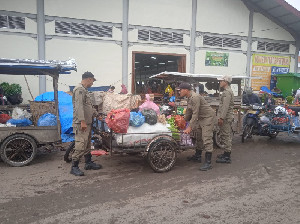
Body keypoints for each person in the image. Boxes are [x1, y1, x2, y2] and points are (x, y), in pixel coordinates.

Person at [71, 71, 102, 176]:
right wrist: (82, 121)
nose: (92, 83)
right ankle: (74, 167)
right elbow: (79, 107)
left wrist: (97, 115)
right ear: (89, 79)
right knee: (81, 144)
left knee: (87, 144)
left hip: (87, 123)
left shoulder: (84, 90)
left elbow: (89, 106)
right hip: (81, 123)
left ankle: (88, 163)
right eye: (92, 81)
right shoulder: (79, 90)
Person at [179, 82, 216, 171]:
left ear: (186, 90)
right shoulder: (189, 97)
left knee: (206, 138)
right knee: (198, 136)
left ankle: (208, 163)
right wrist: (182, 120)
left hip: (208, 117)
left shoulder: (195, 97)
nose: (179, 92)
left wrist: (189, 127)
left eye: (180, 90)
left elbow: (195, 113)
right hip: (201, 118)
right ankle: (198, 156)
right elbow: (189, 111)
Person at [216, 75, 234, 164]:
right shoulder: (226, 91)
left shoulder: (227, 92)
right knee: (224, 134)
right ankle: (225, 153)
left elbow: (225, 107)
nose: (220, 82)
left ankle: (227, 157)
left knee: (226, 135)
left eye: (221, 81)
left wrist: (221, 118)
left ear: (225, 82)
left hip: (226, 118)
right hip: (225, 117)